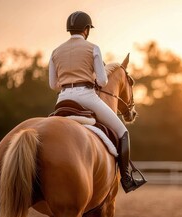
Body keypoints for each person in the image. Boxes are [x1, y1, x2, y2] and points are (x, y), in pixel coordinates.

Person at [48, 11, 146, 193]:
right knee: (123, 132)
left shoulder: (55, 51)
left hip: (62, 99)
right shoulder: (93, 48)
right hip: (87, 97)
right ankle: (126, 178)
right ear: (86, 29)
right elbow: (102, 82)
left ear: (69, 29)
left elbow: (53, 85)